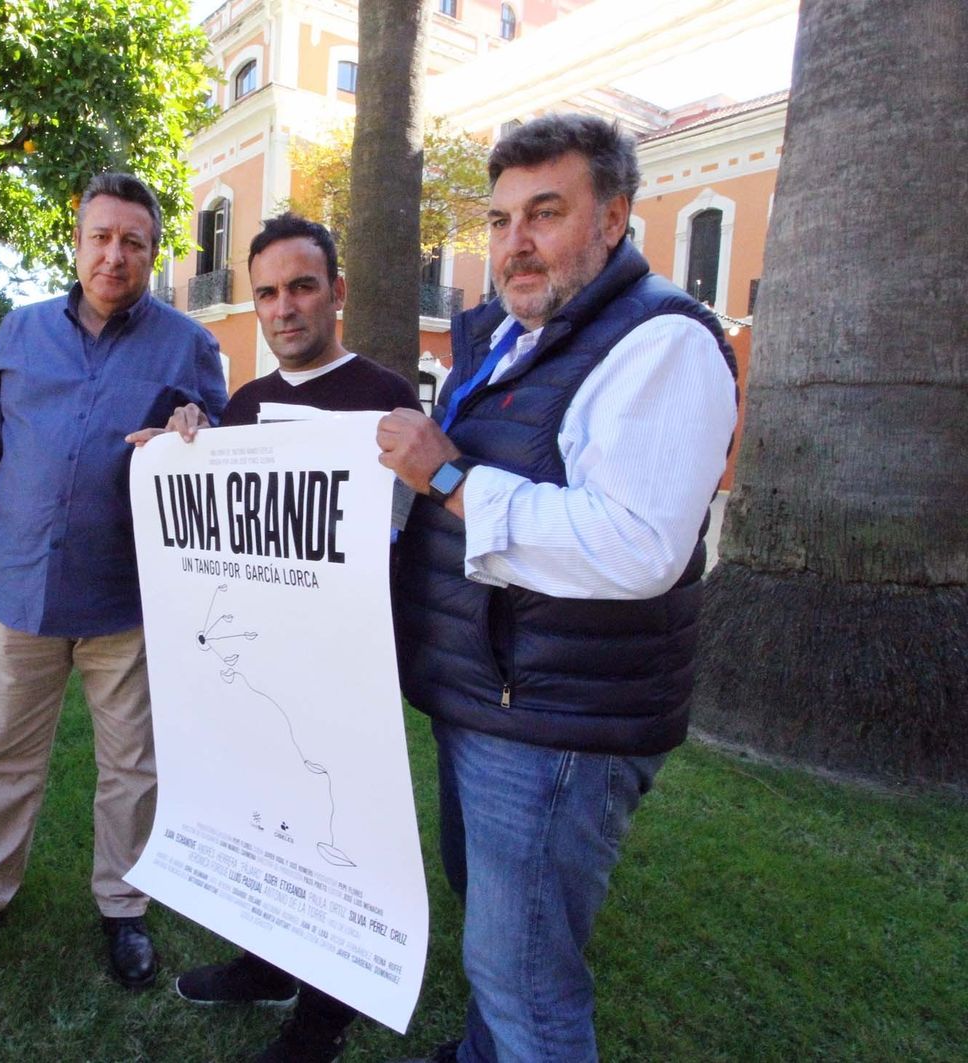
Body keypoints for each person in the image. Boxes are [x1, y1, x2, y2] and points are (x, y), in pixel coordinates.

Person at [376, 114, 738, 1062]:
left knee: (526, 980)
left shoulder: (663, 343)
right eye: (501, 221)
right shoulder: (511, 337)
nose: (515, 243)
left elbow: (635, 547)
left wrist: (448, 477)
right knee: (499, 939)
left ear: (614, 218)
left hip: (557, 724)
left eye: (546, 213)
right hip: (490, 698)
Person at [0, 171, 228, 989]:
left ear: (154, 253)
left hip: (128, 598)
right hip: (19, 586)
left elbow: (219, 453)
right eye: (101, 237)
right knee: (4, 755)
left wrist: (200, 427)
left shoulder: (188, 345)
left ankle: (123, 905)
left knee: (132, 766)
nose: (115, 255)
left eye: (133, 242)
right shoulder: (19, 331)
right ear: (76, 243)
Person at [128, 212, 420, 1063]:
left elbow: (404, 529)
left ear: (337, 291)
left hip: (348, 668)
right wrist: (182, 448)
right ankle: (267, 963)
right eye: (266, 292)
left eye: (301, 287)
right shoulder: (247, 405)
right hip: (261, 668)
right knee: (265, 818)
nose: (284, 307)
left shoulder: (388, 396)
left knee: (341, 837)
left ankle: (322, 1021)